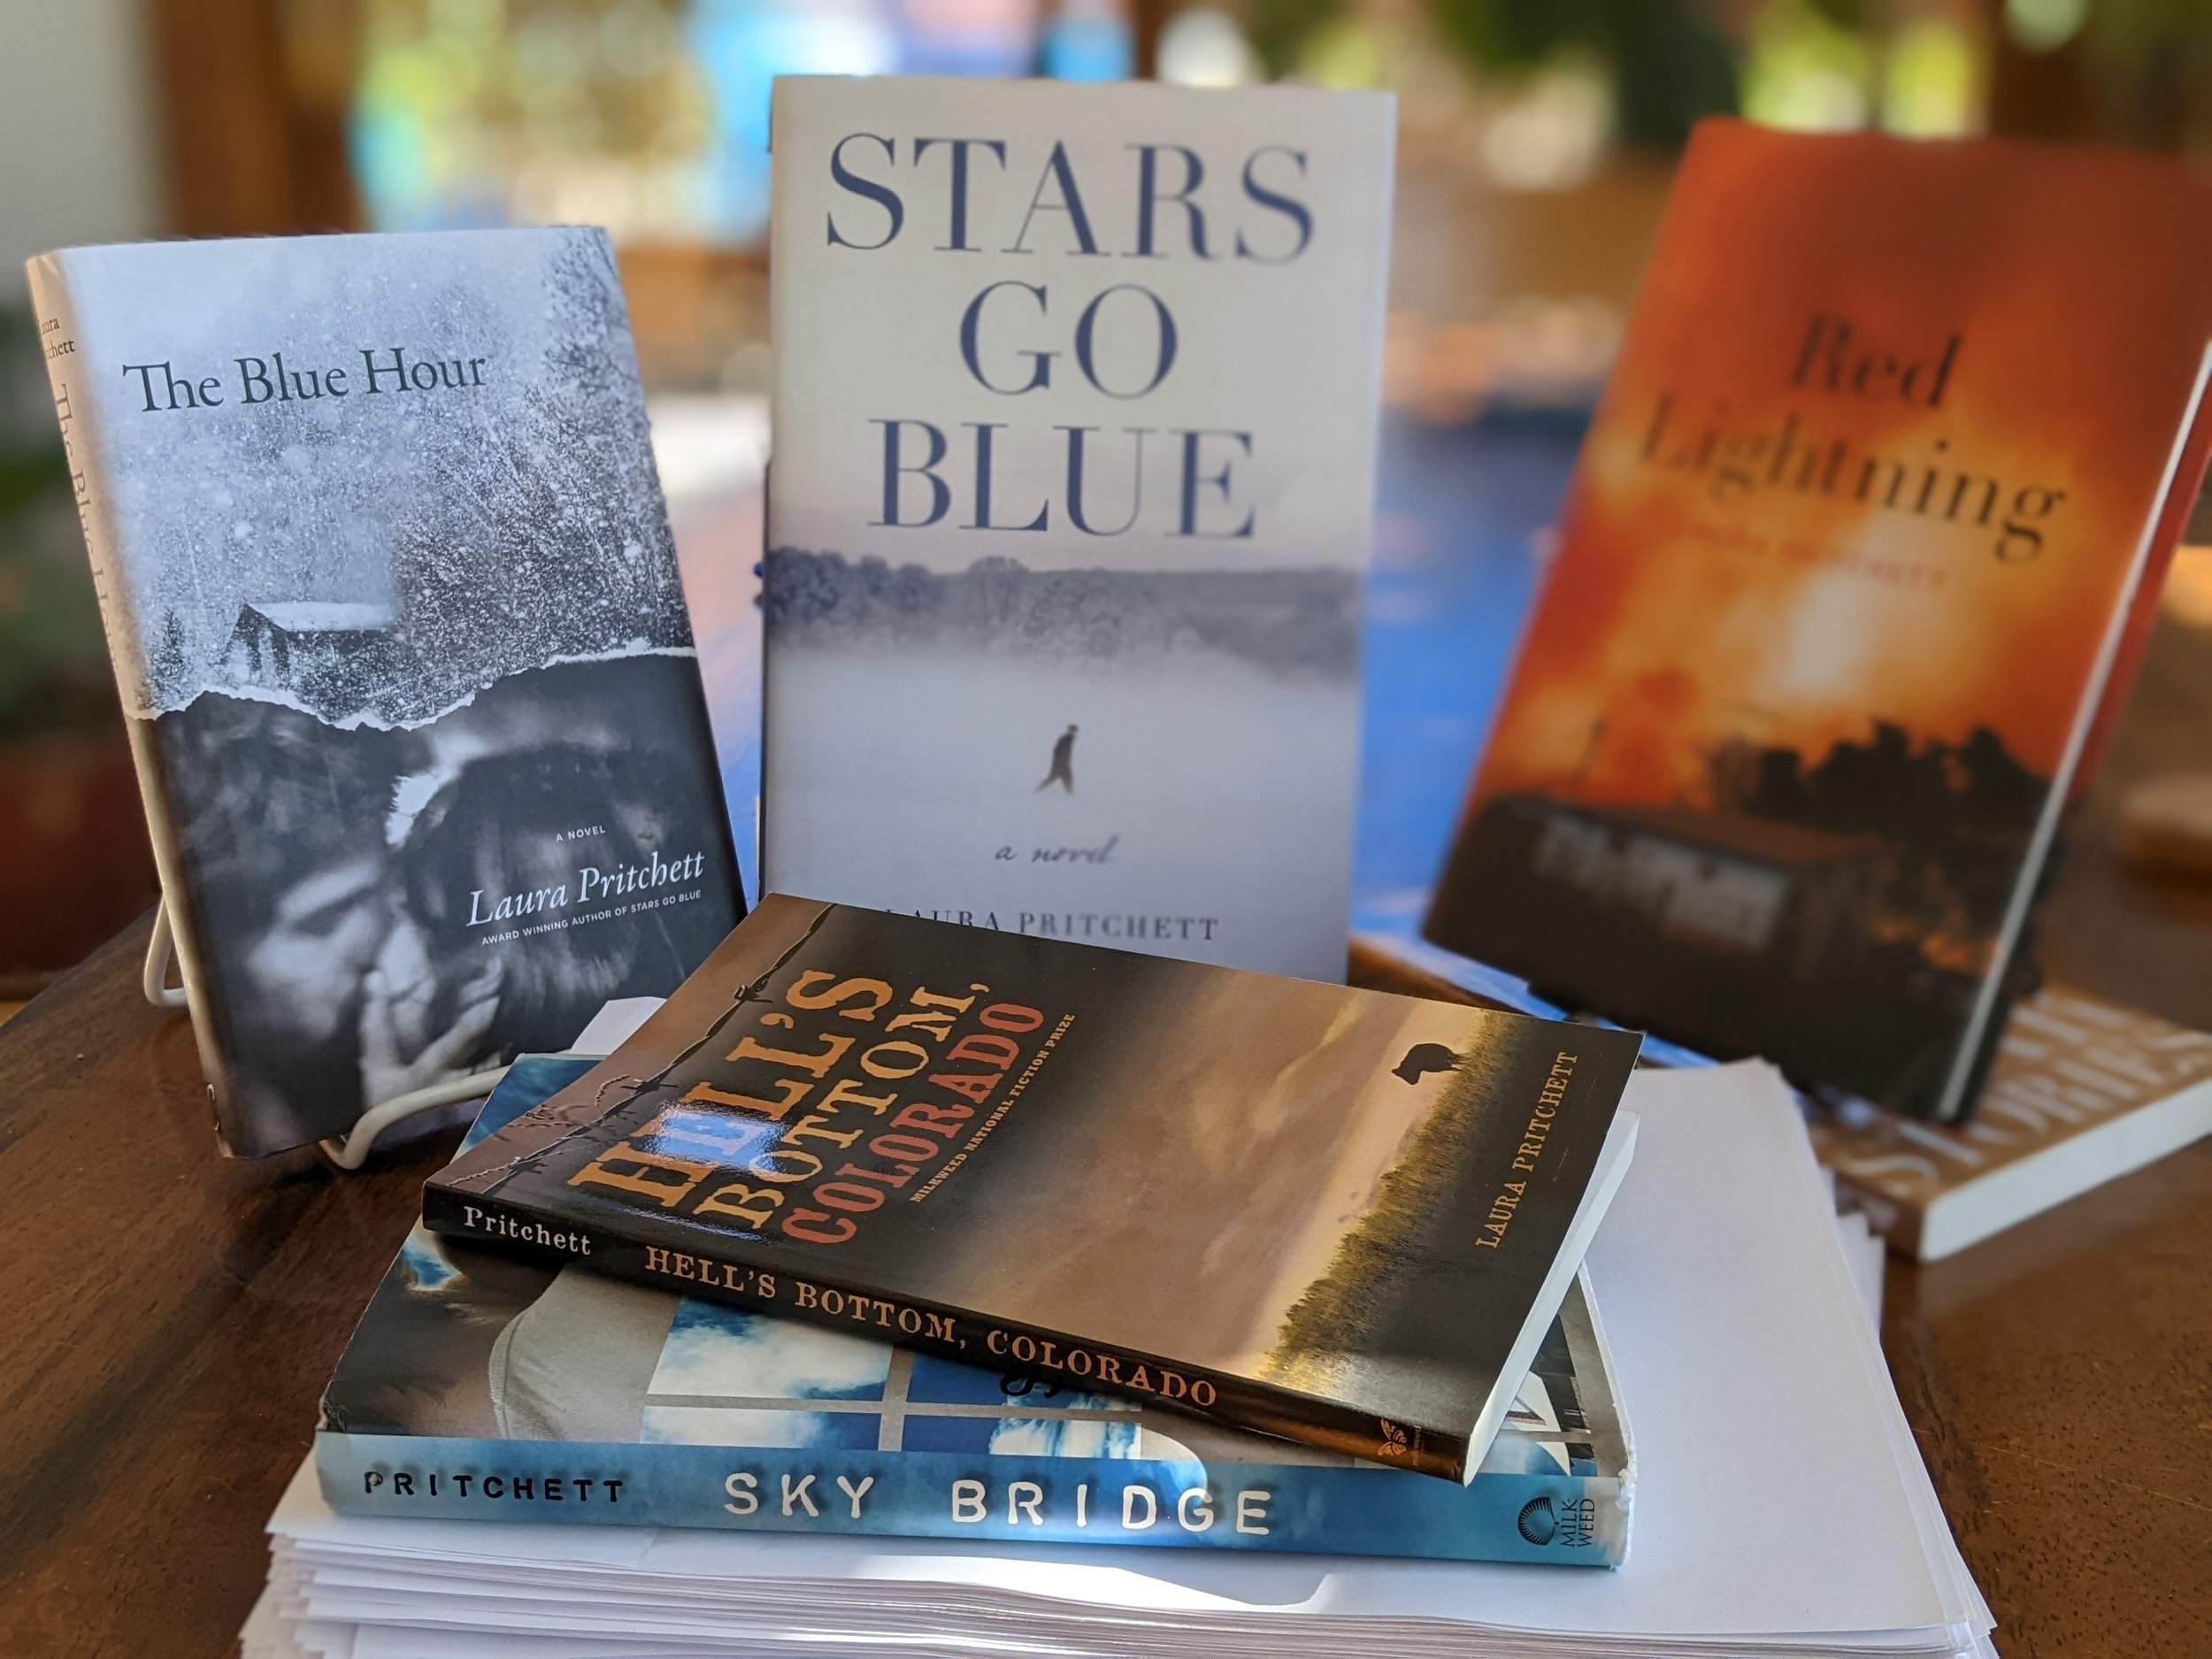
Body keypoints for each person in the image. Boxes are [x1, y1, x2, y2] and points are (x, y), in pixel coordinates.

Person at [1035, 723, 1079, 794]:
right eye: (1072, 731)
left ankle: (1070, 795)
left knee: (1069, 779)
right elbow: (1056, 751)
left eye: (1075, 732)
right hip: (1060, 764)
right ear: (1069, 731)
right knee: (1052, 779)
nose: (1074, 733)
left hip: (1065, 764)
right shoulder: (1065, 740)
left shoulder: (1069, 740)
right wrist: (1059, 762)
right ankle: (1037, 790)